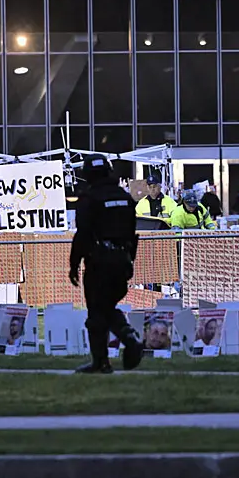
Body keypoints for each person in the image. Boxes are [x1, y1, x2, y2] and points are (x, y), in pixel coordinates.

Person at [69, 153, 145, 374]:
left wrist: (74, 264)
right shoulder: (124, 198)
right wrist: (129, 260)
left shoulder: (90, 199)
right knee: (106, 308)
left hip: (99, 262)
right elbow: (132, 233)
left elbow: (82, 234)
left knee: (96, 312)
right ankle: (124, 342)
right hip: (122, 261)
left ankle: (106, 357)